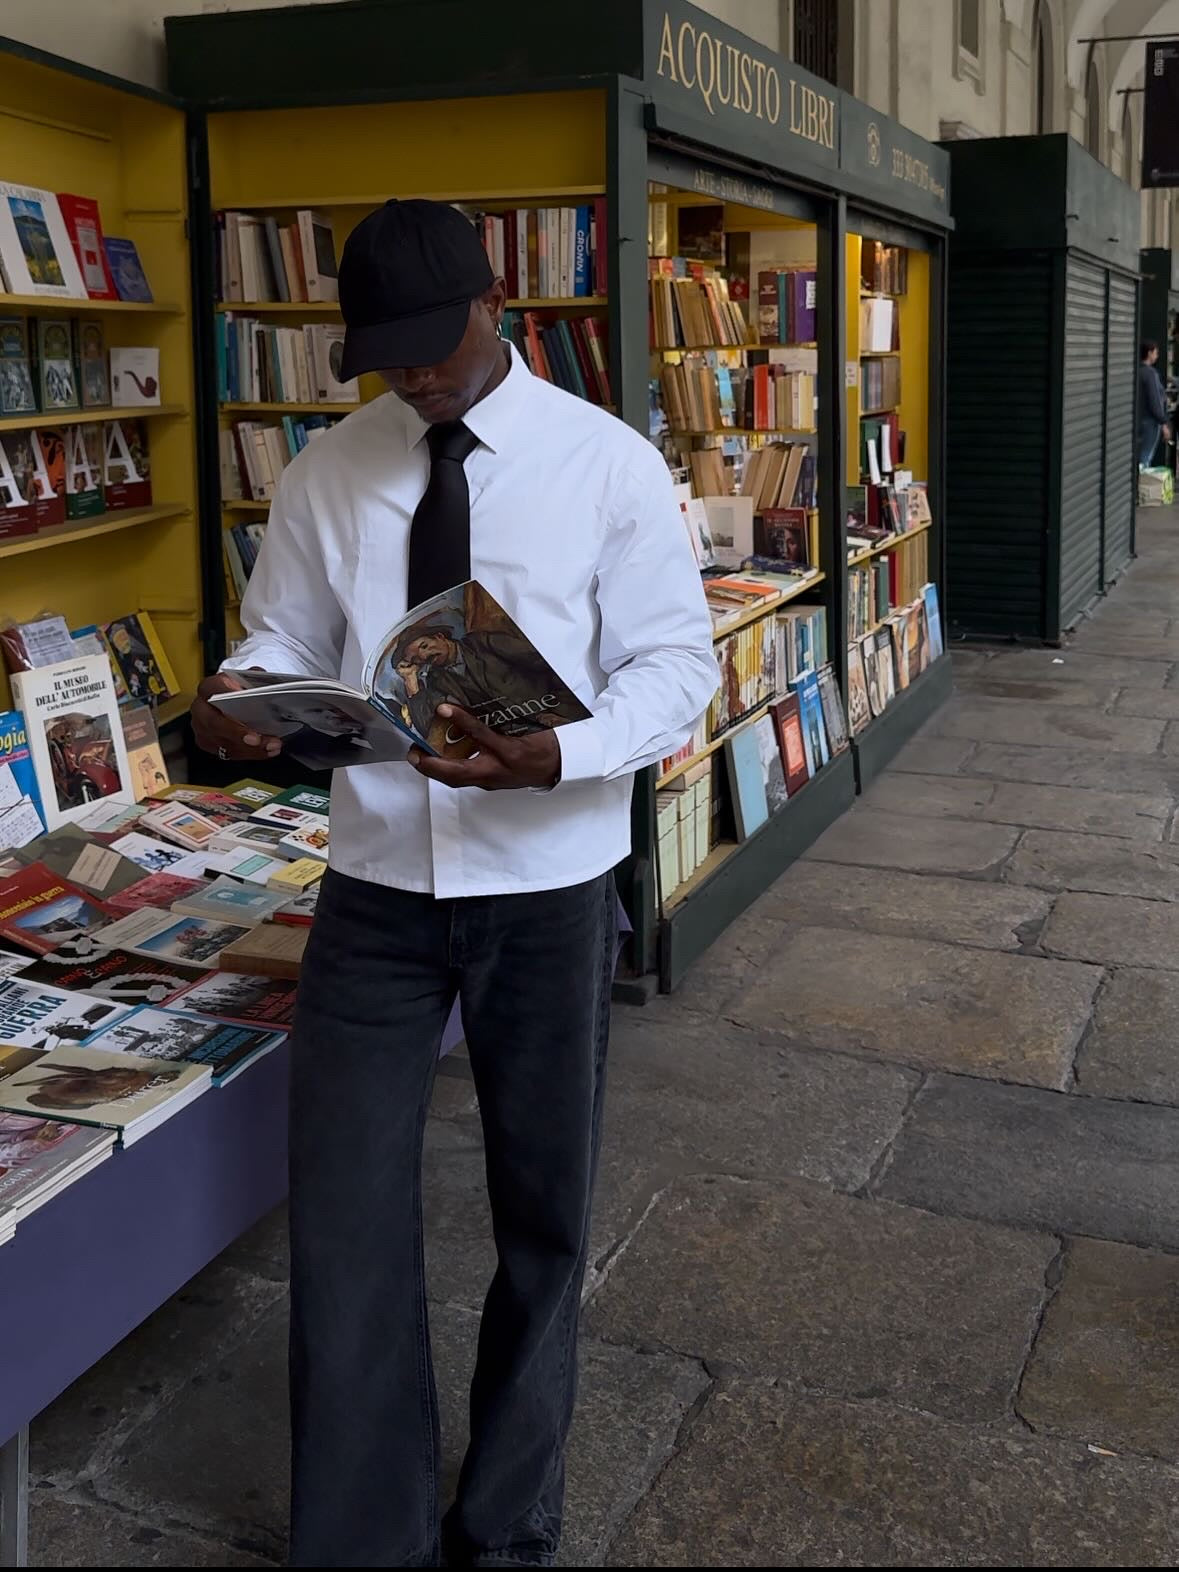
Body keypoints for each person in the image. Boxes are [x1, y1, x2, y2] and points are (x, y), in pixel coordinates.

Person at [190, 197, 716, 1569]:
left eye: (433, 345)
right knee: (346, 1216)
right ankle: (361, 1541)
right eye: (388, 356)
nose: (414, 376)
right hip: (373, 887)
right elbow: (278, 639)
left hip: (544, 883)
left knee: (541, 1212)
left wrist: (560, 755)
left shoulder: (604, 465)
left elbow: (676, 666)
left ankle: (505, 1530)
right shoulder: (325, 473)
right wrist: (240, 704)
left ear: (497, 304)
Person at [1138, 339, 1171, 468]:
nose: (1157, 356)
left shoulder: (1138, 371)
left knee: (1142, 455)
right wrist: (1163, 423)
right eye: (1155, 353)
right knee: (1146, 457)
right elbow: (1155, 400)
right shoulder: (1151, 374)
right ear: (1149, 353)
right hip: (1151, 422)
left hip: (1140, 420)